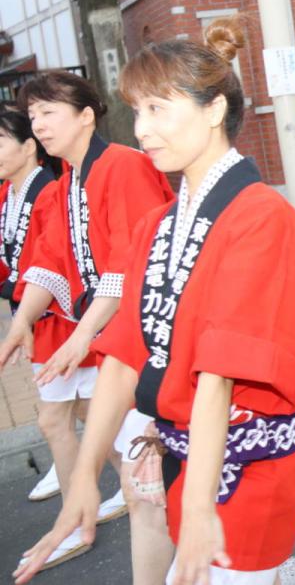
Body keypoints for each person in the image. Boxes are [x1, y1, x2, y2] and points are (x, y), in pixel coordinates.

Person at [15, 18, 295, 585]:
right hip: (189, 458)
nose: (142, 128)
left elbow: (220, 373)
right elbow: (123, 356)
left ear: (214, 110)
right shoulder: (158, 224)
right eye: (137, 111)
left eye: (158, 109)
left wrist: (197, 509)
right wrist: (85, 478)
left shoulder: (263, 220)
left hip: (248, 468)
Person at [2, 70, 174, 580]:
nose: (38, 124)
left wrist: (81, 335)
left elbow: (131, 261)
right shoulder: (66, 184)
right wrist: (21, 323)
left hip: (147, 346)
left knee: (156, 490)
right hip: (115, 346)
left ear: (85, 116)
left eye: (49, 111)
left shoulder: (123, 167)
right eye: (33, 115)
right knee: (147, 491)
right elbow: (51, 260)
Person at [0, 111, 128, 560]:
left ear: (28, 148)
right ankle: (124, 489)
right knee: (90, 415)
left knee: (62, 419)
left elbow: (60, 262)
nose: (41, 125)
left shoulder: (55, 189)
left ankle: (79, 516)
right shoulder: (15, 193)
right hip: (47, 317)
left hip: (68, 320)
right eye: (35, 116)